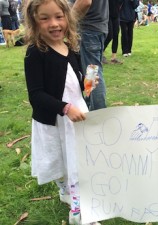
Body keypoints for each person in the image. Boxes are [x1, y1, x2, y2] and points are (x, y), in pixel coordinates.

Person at [23, 0, 100, 224]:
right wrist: (64, 108)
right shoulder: (35, 53)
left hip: (77, 115)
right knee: (62, 162)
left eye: (59, 16)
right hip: (56, 119)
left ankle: (76, 207)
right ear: (34, 22)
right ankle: (76, 210)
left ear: (68, 17)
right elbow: (36, 95)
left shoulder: (69, 47)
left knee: (78, 163)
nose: (54, 23)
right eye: (44, 18)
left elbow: (72, 82)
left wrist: (87, 84)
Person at [72, 0, 109, 111]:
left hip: (89, 28)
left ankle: (99, 114)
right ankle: (90, 107)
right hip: (96, 27)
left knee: (93, 72)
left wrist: (67, 22)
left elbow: (85, 2)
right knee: (90, 72)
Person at [103, 0, 123, 65]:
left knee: (116, 35)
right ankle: (101, 53)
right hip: (108, 15)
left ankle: (113, 58)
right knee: (110, 35)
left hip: (116, 14)